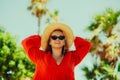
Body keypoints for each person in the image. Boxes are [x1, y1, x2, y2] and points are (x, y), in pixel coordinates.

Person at [22, 22, 91, 80]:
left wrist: (73, 38)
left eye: (61, 37)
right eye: (54, 37)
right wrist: (41, 37)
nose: (57, 39)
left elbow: (86, 45)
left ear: (64, 42)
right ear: (49, 42)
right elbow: (26, 42)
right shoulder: (40, 56)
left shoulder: (72, 57)